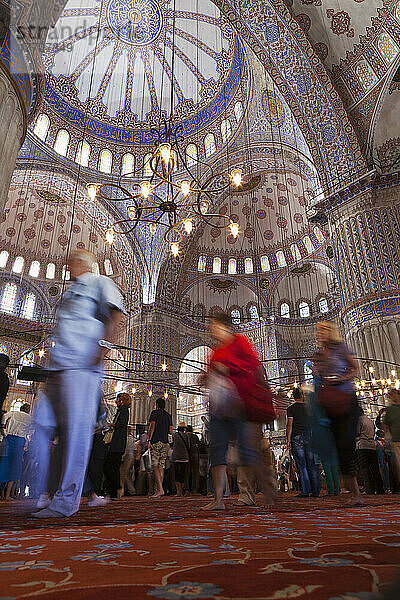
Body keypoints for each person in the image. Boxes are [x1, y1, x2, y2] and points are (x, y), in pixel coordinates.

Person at [32, 249, 125, 518]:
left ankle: (65, 502)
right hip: (58, 368)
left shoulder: (100, 283)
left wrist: (102, 349)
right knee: (41, 425)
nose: (68, 264)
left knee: (76, 435)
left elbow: (116, 315)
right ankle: (43, 491)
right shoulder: (68, 293)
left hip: (83, 366)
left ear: (85, 264)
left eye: (73, 260)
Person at [202, 310, 275, 510]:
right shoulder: (215, 351)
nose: (211, 330)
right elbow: (211, 374)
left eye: (213, 325)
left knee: (248, 452)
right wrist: (205, 377)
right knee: (217, 451)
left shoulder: (240, 342)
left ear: (224, 326)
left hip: (239, 406)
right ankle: (218, 500)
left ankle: (269, 494)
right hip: (218, 409)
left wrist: (228, 368)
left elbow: (253, 364)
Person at [313, 321, 362, 506]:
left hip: (346, 401)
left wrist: (341, 378)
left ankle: (357, 493)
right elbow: (318, 378)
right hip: (329, 404)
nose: (320, 333)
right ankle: (353, 492)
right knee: (339, 449)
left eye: (323, 330)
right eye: (318, 331)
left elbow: (356, 369)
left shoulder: (341, 348)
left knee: (346, 444)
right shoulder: (319, 354)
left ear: (331, 331)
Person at [286, 387, 321, 498]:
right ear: (302, 396)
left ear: (293, 396)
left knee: (302, 465)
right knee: (312, 465)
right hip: (309, 437)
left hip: (297, 438)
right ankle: (316, 491)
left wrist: (288, 440)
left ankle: (305, 491)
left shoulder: (291, 408)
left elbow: (289, 425)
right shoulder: (308, 408)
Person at [0, 403, 31, 500]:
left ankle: (2, 495)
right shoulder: (30, 418)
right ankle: (8, 495)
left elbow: (4, 416)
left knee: (4, 466)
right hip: (19, 442)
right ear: (28, 410)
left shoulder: (13, 413)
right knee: (14, 468)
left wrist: (3, 428)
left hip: (8, 439)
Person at [103, 392, 131, 499]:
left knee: (110, 467)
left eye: (118, 400)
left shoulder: (123, 410)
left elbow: (121, 424)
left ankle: (114, 491)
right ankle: (114, 491)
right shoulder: (122, 411)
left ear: (122, 400)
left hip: (117, 444)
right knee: (112, 467)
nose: (116, 402)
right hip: (118, 444)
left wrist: (111, 424)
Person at [148, 398, 173, 498]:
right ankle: (159, 490)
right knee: (161, 466)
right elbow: (170, 431)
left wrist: (149, 440)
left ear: (157, 405)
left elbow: (152, 426)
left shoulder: (154, 413)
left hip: (156, 441)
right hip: (165, 443)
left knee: (155, 465)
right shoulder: (168, 415)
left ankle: (160, 489)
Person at [356, 408, 384, 494]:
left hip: (363, 446)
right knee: (375, 468)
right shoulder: (370, 420)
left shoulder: (359, 420)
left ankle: (369, 489)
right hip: (372, 446)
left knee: (365, 469)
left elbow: (357, 433)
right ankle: (380, 489)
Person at [384, 388, 400, 481]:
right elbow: (385, 426)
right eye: (390, 395)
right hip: (396, 441)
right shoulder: (389, 410)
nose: (391, 396)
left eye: (393, 394)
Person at [172, 422, 190, 496]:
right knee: (183, 474)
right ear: (184, 429)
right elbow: (188, 446)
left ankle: (178, 492)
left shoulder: (175, 435)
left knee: (176, 474)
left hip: (176, 457)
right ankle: (182, 491)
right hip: (185, 457)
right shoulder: (186, 435)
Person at [119, 425, 136, 497]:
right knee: (127, 475)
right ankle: (131, 490)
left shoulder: (127, 438)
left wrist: (122, 457)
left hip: (127, 457)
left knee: (123, 475)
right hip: (130, 457)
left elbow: (126, 449)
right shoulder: (132, 438)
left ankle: (123, 491)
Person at [185, 425, 200, 494]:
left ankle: (186, 489)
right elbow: (199, 445)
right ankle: (195, 489)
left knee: (186, 473)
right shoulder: (195, 436)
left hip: (186, 455)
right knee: (195, 473)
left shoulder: (184, 436)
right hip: (195, 454)